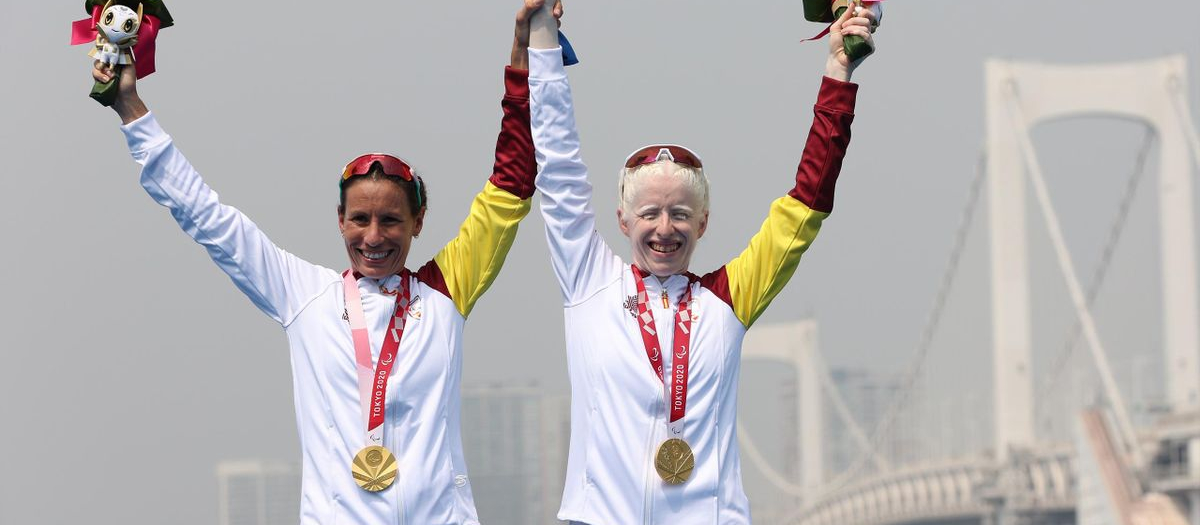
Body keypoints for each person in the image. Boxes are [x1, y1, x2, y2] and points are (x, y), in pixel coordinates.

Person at [89, 2, 561, 523]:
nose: (374, 237)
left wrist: (525, 45)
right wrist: (131, 108)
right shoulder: (303, 295)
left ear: (419, 222)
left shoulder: (448, 286)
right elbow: (205, 215)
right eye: (360, 219)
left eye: (392, 221)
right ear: (340, 220)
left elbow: (511, 184)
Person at [523, 3, 879, 523]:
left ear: (704, 222)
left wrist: (838, 72)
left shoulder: (728, 298)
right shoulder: (588, 281)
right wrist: (541, 37)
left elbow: (807, 201)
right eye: (649, 213)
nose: (665, 228)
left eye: (680, 214)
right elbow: (557, 168)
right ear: (622, 220)